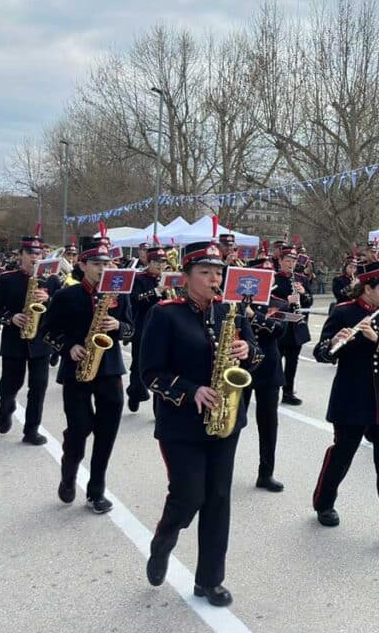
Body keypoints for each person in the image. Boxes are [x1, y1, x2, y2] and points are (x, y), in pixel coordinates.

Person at [141, 239, 262, 606]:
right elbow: (149, 373)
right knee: (189, 495)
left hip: (226, 419)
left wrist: (247, 351)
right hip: (182, 424)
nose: (214, 279)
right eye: (205, 272)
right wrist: (190, 390)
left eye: (218, 272)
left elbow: (256, 356)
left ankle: (209, 580)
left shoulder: (231, 311)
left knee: (219, 498)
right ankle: (164, 539)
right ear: (186, 276)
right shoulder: (165, 314)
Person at [311, 260, 379, 552]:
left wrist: (377, 338)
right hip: (352, 397)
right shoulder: (343, 311)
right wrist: (335, 342)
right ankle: (324, 502)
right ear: (367, 289)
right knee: (342, 454)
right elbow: (321, 353)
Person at [42, 235, 134, 513]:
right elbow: (48, 331)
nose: (103, 269)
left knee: (106, 434)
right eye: (96, 263)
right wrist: (69, 347)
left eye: (106, 263)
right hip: (76, 372)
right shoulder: (65, 295)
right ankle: (69, 472)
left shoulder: (119, 294)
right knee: (79, 429)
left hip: (110, 371)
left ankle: (96, 491)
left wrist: (118, 325)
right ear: (82, 265)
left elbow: (131, 329)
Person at [0, 230, 60, 444]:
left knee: (38, 388)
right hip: (14, 340)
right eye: (30, 253)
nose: (34, 257)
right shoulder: (6, 279)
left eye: (38, 253)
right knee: (9, 385)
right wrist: (11, 317)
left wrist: (48, 299)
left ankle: (31, 430)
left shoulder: (52, 281)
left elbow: (61, 311)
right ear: (21, 255)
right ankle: (6, 407)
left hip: (40, 342)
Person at [243, 255, 288, 492]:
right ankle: (220, 470)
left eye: (269, 276)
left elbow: (279, 330)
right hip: (240, 366)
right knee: (232, 421)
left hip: (269, 369)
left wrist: (254, 316)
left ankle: (266, 473)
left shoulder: (278, 303)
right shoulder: (233, 301)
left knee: (268, 424)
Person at [127, 245, 168, 412]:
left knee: (164, 368)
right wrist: (156, 291)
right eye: (156, 262)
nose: (160, 265)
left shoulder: (170, 278)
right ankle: (135, 393)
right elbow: (134, 300)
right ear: (149, 262)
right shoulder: (139, 279)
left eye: (163, 262)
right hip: (144, 327)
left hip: (165, 328)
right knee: (139, 365)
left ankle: (159, 407)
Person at [272, 247, 313, 406]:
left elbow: (309, 302)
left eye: (293, 261)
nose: (291, 264)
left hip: (297, 327)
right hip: (280, 326)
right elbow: (268, 302)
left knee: (292, 362)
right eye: (287, 261)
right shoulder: (274, 278)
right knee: (276, 360)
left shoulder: (301, 279)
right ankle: (273, 391)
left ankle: (288, 392)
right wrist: (286, 301)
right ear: (280, 261)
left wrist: (303, 294)